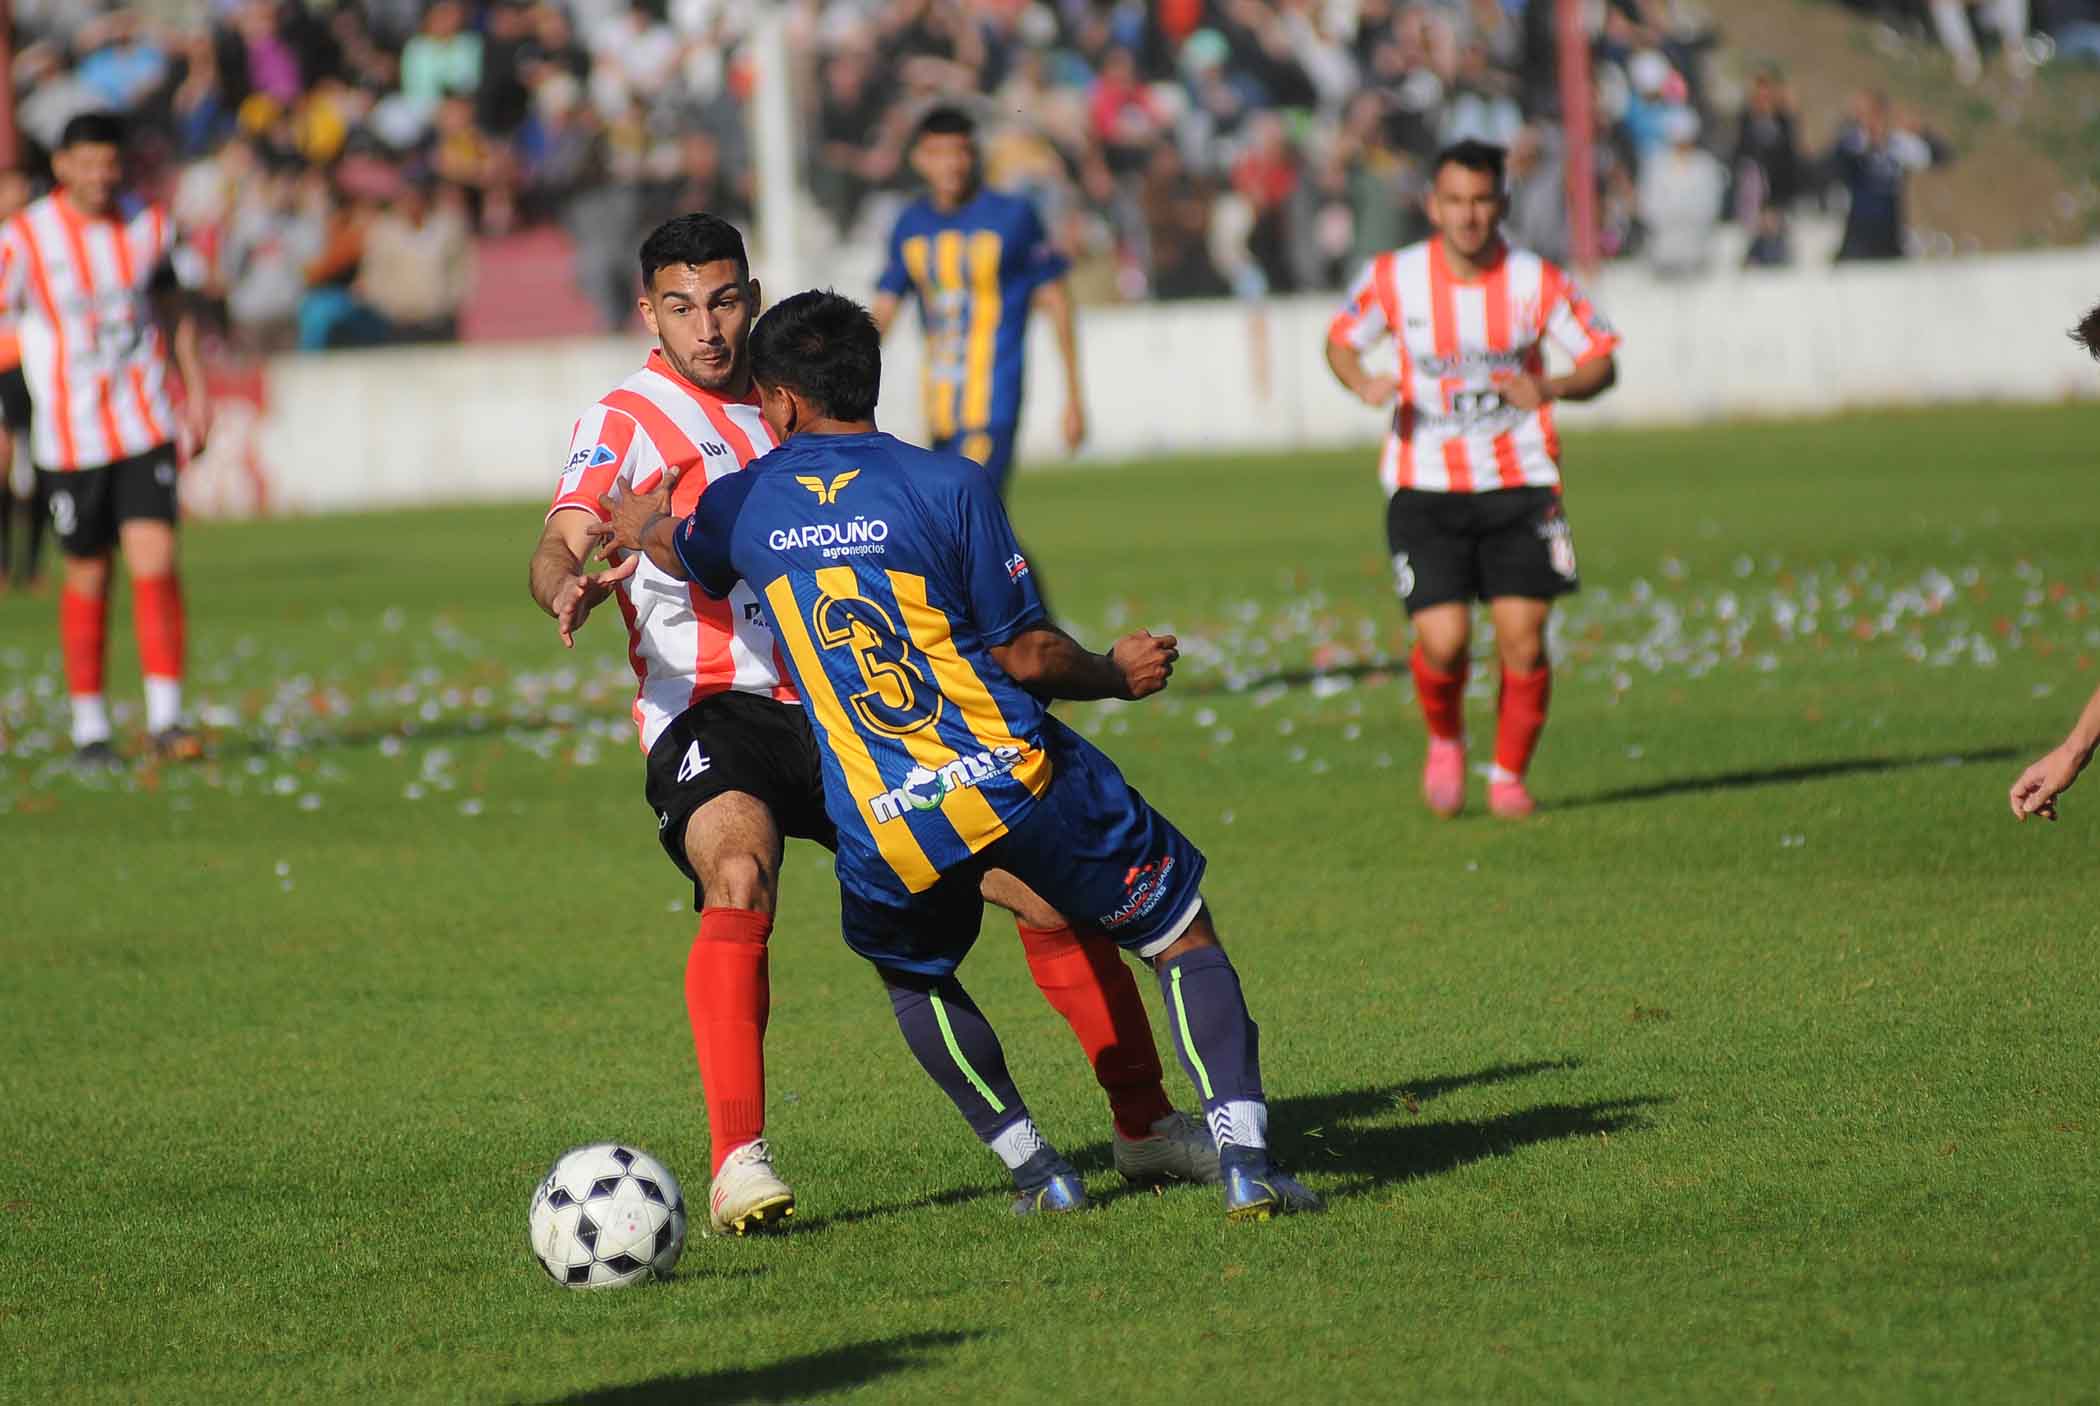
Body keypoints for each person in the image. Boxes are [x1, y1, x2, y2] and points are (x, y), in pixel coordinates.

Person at [527, 215, 1215, 1233]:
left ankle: (1143, 1120)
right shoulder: (629, 414)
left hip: (853, 703)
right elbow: (566, 528)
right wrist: (562, 585)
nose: (707, 327)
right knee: (738, 867)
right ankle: (738, 1162)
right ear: (649, 313)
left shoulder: (793, 401)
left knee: (1042, 891)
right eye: (682, 305)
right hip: (709, 705)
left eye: (722, 300)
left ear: (751, 298)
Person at [1324, 139, 1621, 819]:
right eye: (1455, 201)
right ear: (1433, 204)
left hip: (1520, 482)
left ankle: (1509, 776)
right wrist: (1361, 379)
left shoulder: (1535, 280)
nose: (1468, 215)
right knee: (1445, 639)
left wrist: (1551, 385)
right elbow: (1339, 341)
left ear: (1502, 204)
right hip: (1423, 482)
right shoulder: (1395, 277)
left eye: (1482, 200)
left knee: (1522, 635)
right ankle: (1447, 739)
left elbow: (1602, 359)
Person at [0, 112, 210, 766]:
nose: (100, 175)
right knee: (88, 571)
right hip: (69, 433)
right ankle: (91, 726)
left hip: (142, 419)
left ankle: (167, 719)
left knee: (156, 555)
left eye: (109, 163)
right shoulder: (24, 239)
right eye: (87, 163)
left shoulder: (148, 224)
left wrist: (194, 390)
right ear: (62, 166)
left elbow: (173, 310)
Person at [872, 106, 1086, 495]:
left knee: (962, 512)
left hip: (993, 402)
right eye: (939, 153)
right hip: (940, 408)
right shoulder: (911, 224)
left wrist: (1073, 398)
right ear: (919, 159)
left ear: (975, 155)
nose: (951, 164)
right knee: (972, 529)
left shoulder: (1012, 216)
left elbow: (1057, 302)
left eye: (961, 151)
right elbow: (884, 309)